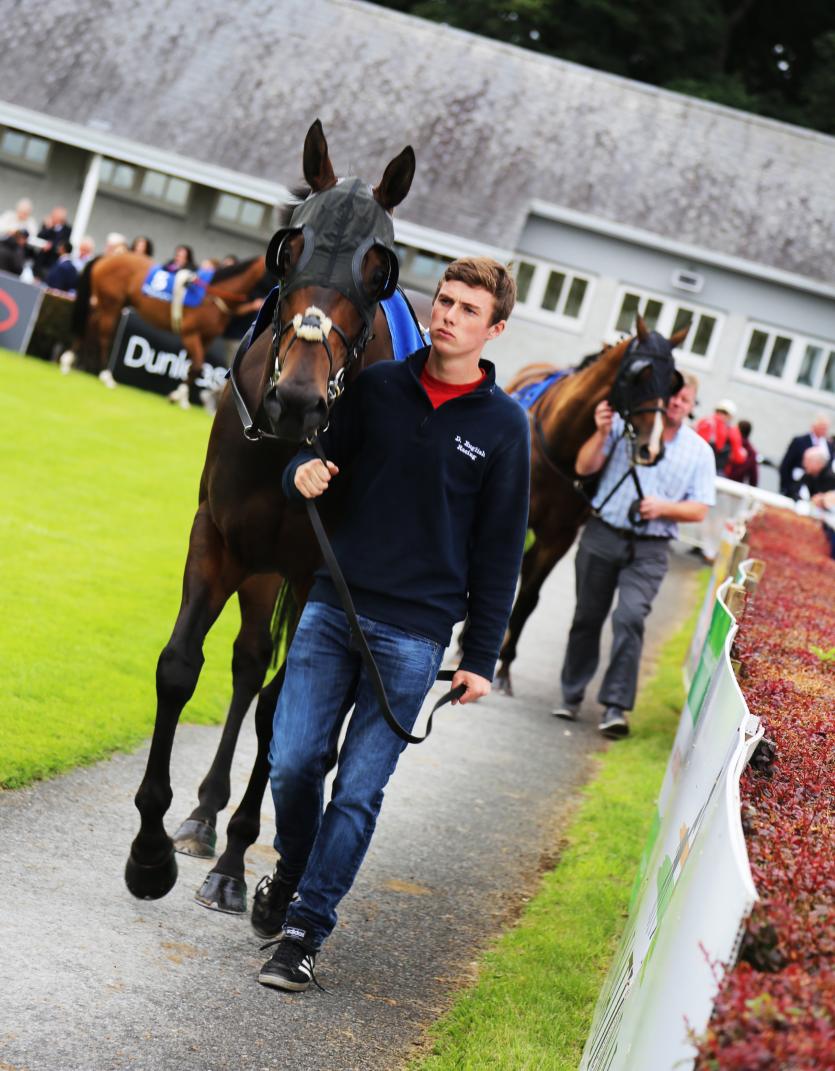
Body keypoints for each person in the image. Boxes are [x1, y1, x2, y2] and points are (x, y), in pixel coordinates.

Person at [254, 257, 530, 993]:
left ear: (493, 328)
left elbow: (501, 549)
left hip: (413, 638)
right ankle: (293, 867)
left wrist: (480, 655)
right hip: (330, 609)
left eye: (468, 309)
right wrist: (299, 473)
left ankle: (304, 930)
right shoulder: (375, 387)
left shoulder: (504, 428)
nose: (448, 316)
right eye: (444, 300)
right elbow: (311, 460)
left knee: (357, 793)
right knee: (293, 762)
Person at [554, 372, 715, 739]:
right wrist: (599, 432)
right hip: (603, 534)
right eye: (671, 396)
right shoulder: (623, 429)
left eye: (684, 400)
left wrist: (663, 508)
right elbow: (583, 467)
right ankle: (571, 695)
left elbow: (700, 509)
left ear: (691, 407)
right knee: (587, 617)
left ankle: (615, 707)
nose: (676, 403)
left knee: (629, 618)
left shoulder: (699, 451)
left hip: (651, 549)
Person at [779, 414, 832, 499]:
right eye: (821, 427)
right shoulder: (799, 441)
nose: (824, 430)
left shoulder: (829, 445)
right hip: (796, 482)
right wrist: (785, 487)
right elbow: (786, 465)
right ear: (813, 426)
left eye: (825, 428)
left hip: (818, 488)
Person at [695, 399, 746, 472]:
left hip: (698, 464)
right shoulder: (732, 431)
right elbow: (739, 457)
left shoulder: (703, 421)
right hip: (716, 469)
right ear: (730, 416)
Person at [33, 205, 72, 279]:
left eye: (54, 215)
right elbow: (39, 236)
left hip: (52, 263)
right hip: (40, 261)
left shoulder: (67, 229)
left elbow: (62, 243)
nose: (52, 216)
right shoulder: (48, 225)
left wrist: (51, 245)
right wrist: (49, 228)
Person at [724, 419, 758, 486]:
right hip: (737, 486)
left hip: (722, 478)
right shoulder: (752, 452)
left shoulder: (728, 443)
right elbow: (753, 476)